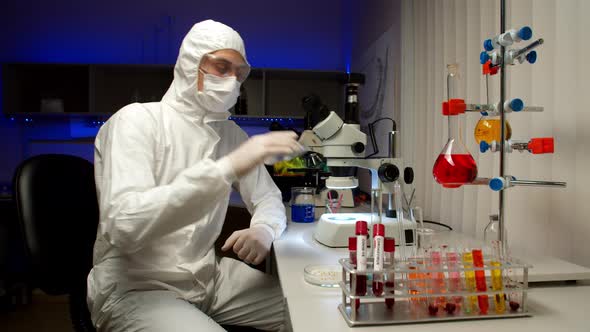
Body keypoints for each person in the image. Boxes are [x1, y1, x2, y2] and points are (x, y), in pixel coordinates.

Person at [87, 19, 303, 332]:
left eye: (239, 72)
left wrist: (264, 229)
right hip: (138, 287)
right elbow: (125, 225)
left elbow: (267, 196)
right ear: (191, 64)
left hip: (206, 277)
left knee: (304, 309)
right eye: (221, 67)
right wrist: (228, 167)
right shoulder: (136, 121)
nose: (232, 80)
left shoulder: (230, 133)